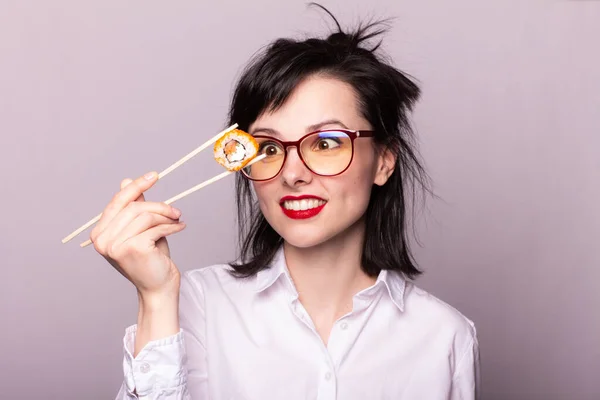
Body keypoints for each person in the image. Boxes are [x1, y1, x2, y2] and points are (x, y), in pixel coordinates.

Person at [91, 5, 480, 399]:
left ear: (383, 160)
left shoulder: (445, 337)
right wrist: (156, 298)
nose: (292, 173)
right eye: (270, 148)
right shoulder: (195, 306)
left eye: (326, 143)